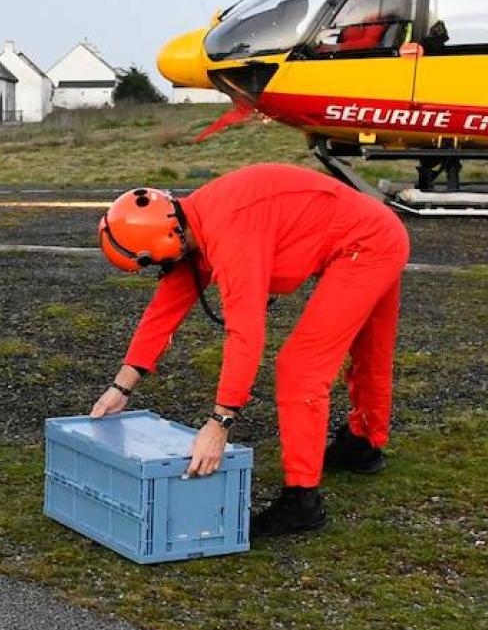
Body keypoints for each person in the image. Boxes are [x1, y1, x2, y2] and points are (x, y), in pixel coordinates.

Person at [89, 163, 410, 536]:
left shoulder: (230, 235)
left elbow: (245, 333)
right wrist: (121, 386)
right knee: (370, 351)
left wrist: (219, 423)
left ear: (161, 246)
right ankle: (363, 445)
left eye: (154, 264)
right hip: (373, 231)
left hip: (368, 245)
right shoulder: (189, 221)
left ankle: (302, 501)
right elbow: (164, 310)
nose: (160, 271)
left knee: (301, 367)